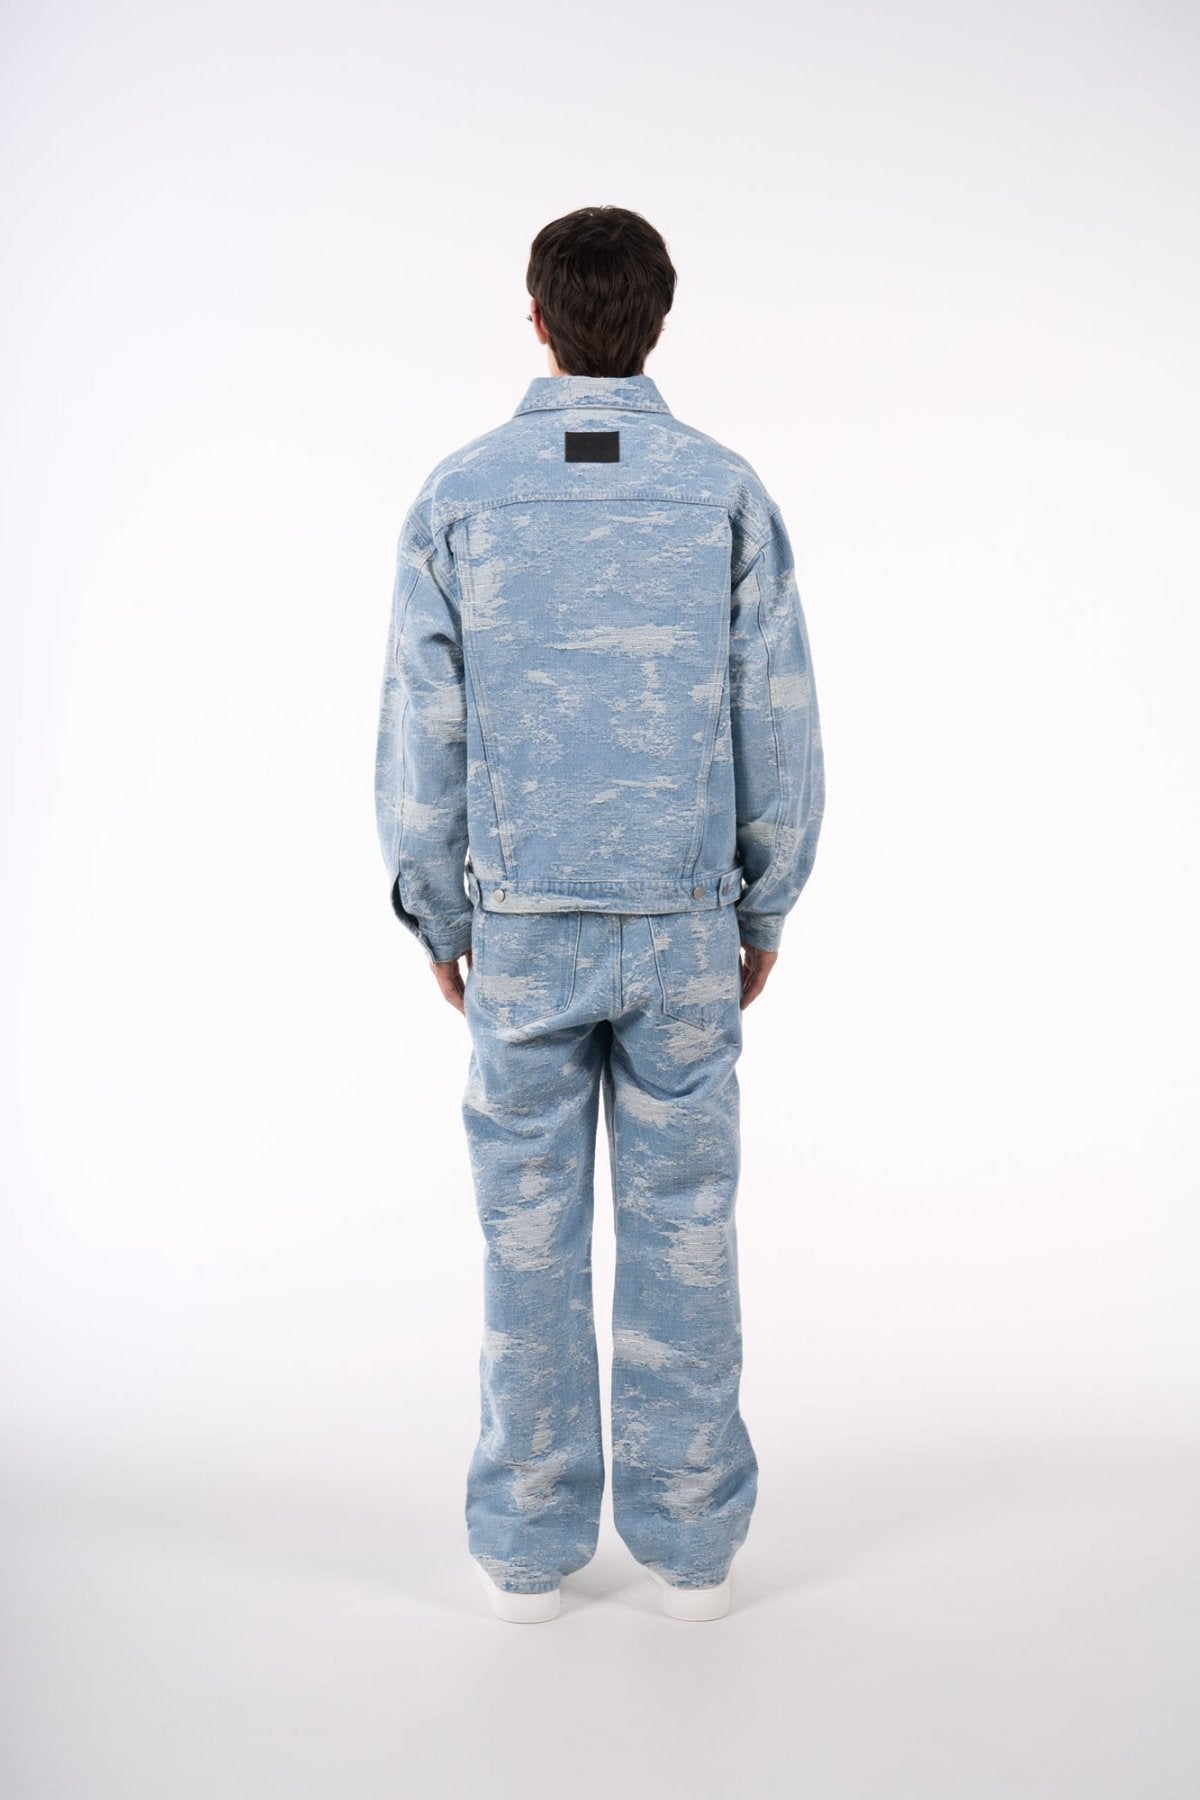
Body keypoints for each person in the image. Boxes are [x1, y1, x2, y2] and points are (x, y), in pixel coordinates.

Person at [374, 205, 825, 1624]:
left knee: (527, 1237)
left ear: (536, 318)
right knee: (688, 1225)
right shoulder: (723, 493)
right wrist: (766, 902)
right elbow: (776, 715)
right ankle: (693, 1550)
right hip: (685, 924)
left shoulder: (461, 497)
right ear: (659, 318)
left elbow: (423, 726)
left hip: (522, 929)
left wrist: (435, 909)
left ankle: (526, 1546)